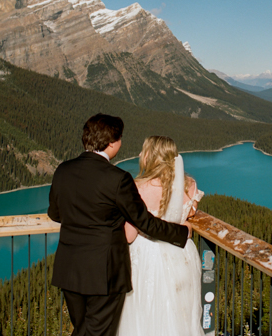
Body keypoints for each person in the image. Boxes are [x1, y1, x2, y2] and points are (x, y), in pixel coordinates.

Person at [48, 114, 191, 336]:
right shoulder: (118, 178)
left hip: (70, 269)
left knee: (81, 329)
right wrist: (182, 232)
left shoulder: (63, 170)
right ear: (112, 143)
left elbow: (55, 214)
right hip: (104, 273)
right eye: (120, 138)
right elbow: (144, 222)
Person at [117, 136, 206, 336]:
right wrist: (186, 226)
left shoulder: (137, 188)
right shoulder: (189, 185)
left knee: (146, 317)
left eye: (144, 151)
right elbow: (188, 216)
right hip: (182, 256)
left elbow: (129, 236)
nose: (140, 154)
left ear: (153, 156)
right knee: (181, 316)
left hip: (149, 259)